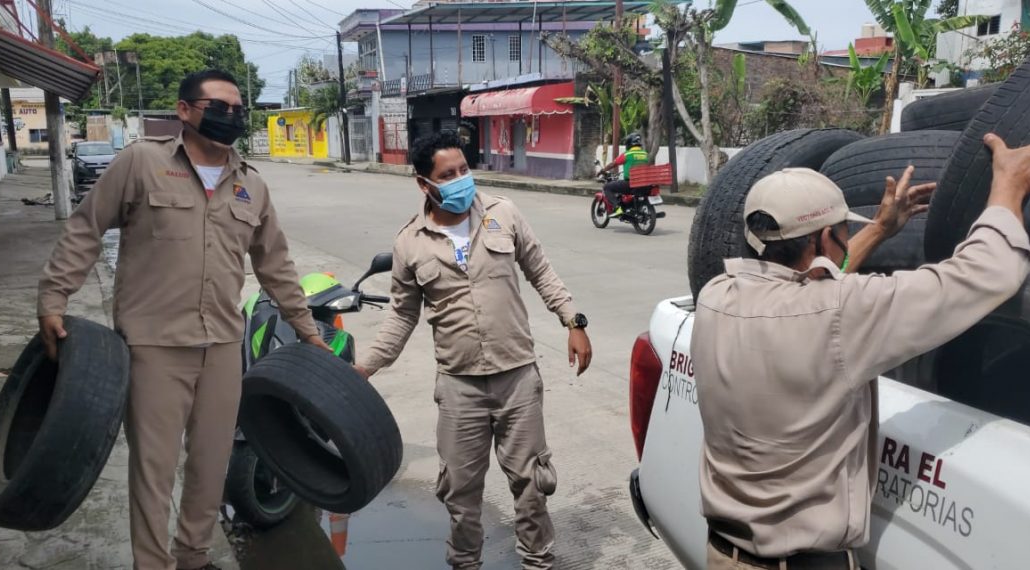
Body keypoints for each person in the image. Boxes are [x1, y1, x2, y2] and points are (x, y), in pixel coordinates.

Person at [691, 133, 1030, 570]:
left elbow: (814, 289)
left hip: (725, 555)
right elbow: (984, 272)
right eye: (841, 233)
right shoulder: (840, 316)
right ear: (822, 241)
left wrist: (878, 230)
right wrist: (1009, 185)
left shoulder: (715, 296)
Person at [36, 69, 330, 570]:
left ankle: (193, 557)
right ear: (184, 110)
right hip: (154, 344)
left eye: (239, 109)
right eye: (219, 106)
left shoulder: (250, 185)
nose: (231, 116)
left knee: (211, 462)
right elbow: (86, 228)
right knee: (154, 467)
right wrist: (53, 299)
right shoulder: (141, 163)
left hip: (220, 345)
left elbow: (275, 266)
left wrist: (308, 332)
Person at [354, 130, 593, 569]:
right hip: (459, 387)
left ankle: (538, 563)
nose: (462, 179)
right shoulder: (410, 243)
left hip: (517, 377)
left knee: (532, 485)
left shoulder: (504, 214)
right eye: (449, 174)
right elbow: (402, 317)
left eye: (464, 169)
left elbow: (541, 270)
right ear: (424, 184)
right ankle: (466, 565)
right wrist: (365, 366)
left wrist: (573, 321)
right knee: (460, 495)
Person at [597, 132, 647, 217]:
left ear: (629, 143)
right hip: (645, 184)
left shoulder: (627, 154)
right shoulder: (645, 154)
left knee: (607, 187)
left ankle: (617, 208)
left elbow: (613, 164)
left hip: (631, 184)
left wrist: (602, 170)